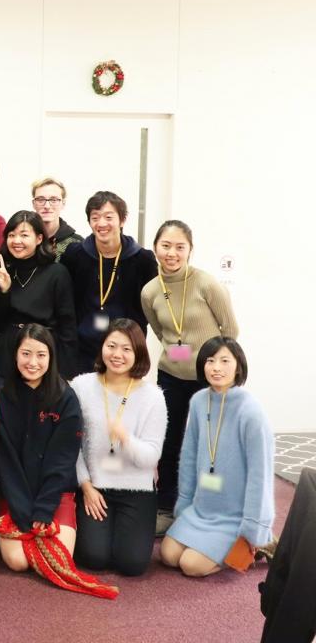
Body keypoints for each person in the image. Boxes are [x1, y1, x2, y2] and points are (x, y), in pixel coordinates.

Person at [141, 220, 239, 533]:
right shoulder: (150, 291)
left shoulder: (207, 284)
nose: (171, 253)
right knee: (169, 444)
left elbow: (230, 332)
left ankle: (207, 507)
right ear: (155, 247)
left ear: (189, 250)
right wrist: (180, 352)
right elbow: (161, 333)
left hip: (209, 379)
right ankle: (166, 507)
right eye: (165, 245)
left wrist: (215, 366)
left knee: (207, 444)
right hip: (171, 377)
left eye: (179, 247)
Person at [162, 337, 275, 578]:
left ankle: (255, 547)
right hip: (202, 508)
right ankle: (208, 542)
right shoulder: (198, 401)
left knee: (191, 565)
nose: (216, 367)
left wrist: (254, 525)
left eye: (225, 361)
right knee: (169, 556)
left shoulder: (251, 410)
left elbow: (260, 475)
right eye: (210, 361)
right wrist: (184, 504)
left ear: (238, 366)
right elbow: (189, 457)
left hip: (234, 515)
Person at [73, 319, 166, 576]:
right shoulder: (81, 386)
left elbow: (150, 457)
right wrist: (86, 485)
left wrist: (126, 439)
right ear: (102, 347)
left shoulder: (153, 397)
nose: (117, 354)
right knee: (92, 557)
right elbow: (72, 446)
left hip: (136, 488)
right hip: (95, 487)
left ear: (138, 353)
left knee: (132, 564)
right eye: (111, 346)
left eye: (126, 349)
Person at [0, 324, 82, 571]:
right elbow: (5, 459)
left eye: (41, 355)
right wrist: (22, 510)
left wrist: (43, 509)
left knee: (58, 561)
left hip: (55, 492)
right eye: (26, 353)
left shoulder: (66, 397)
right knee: (18, 562)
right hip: (15, 492)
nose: (33, 362)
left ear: (51, 357)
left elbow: (63, 460)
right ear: (15, 355)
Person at [60, 191, 158, 377]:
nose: (101, 223)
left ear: (122, 220)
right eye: (95, 217)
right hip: (83, 351)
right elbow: (65, 303)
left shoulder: (142, 259)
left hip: (125, 351)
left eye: (108, 217)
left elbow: (152, 304)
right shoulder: (75, 254)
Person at [0, 211, 77, 391]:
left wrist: (66, 371)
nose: (16, 241)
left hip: (42, 356)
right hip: (6, 356)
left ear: (39, 238)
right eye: (11, 235)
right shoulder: (4, 271)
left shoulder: (56, 272)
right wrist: (4, 290)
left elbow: (68, 325)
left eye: (24, 235)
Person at [31, 177, 82, 261]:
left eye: (53, 200)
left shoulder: (77, 244)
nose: (47, 206)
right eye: (41, 200)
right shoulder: (24, 240)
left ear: (63, 204)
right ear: (34, 204)